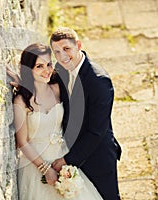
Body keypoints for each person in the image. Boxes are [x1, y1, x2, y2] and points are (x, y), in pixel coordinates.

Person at [13, 43, 103, 199]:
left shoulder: (56, 88)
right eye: (39, 66)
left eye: (48, 64)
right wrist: (45, 169)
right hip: (36, 164)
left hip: (62, 158)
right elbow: (22, 142)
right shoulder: (21, 101)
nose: (46, 70)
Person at [49, 27, 122, 200]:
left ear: (78, 45)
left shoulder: (98, 81)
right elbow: (44, 82)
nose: (62, 56)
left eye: (66, 49)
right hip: (70, 148)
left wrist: (67, 160)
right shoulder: (61, 68)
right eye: (57, 52)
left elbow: (96, 131)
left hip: (97, 156)